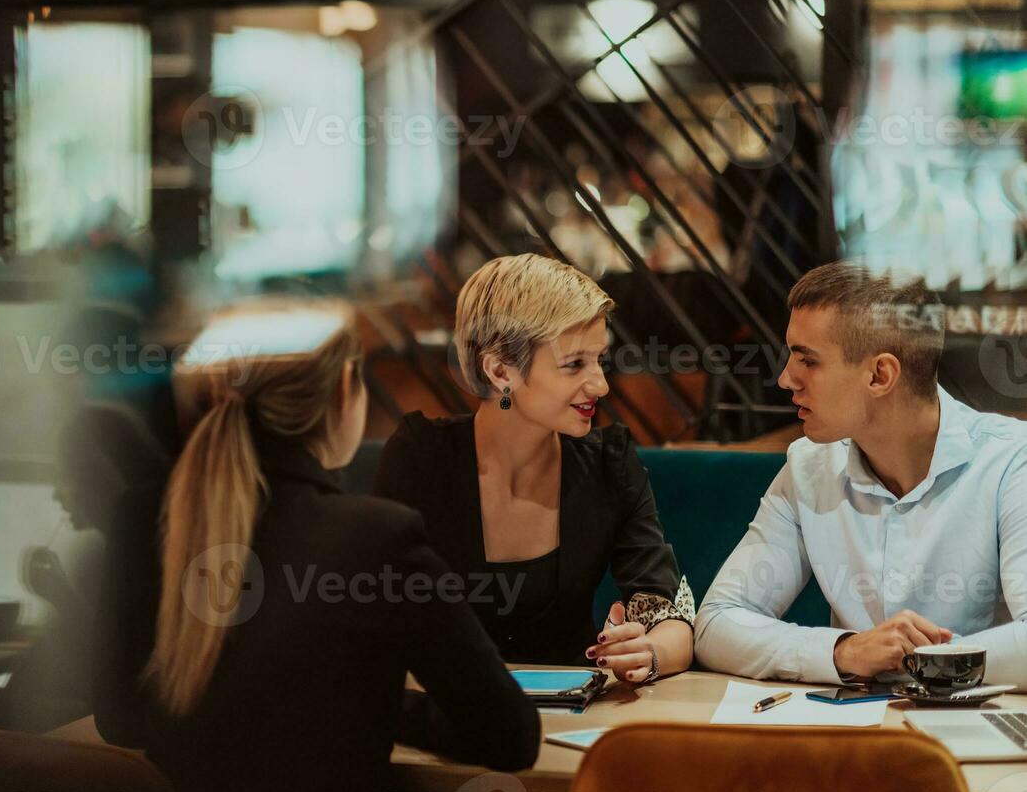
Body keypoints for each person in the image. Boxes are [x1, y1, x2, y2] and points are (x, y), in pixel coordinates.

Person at [94, 300, 539, 792]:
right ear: (342, 394)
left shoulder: (141, 517)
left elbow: (119, 715)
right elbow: (509, 736)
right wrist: (382, 704)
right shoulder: (377, 537)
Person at [695, 263, 1027, 686]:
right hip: (853, 732)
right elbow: (716, 624)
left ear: (879, 375)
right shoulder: (808, 467)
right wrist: (845, 651)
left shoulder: (1012, 462)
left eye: (807, 361)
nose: (785, 379)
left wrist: (918, 658)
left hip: (973, 734)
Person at [373, 254, 695, 682]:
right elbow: (374, 619)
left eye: (600, 359)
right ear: (500, 370)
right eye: (574, 364)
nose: (600, 384)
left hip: (575, 722)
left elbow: (667, 618)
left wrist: (646, 650)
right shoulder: (420, 459)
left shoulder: (609, 464)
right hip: (443, 721)